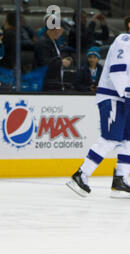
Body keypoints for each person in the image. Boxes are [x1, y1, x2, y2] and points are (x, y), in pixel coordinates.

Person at [66, 15, 130, 198]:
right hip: (114, 97)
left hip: (123, 98)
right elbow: (117, 72)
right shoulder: (125, 40)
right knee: (110, 138)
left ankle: (121, 179)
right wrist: (127, 95)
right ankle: (81, 174)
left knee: (128, 140)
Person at [34, 17, 73, 91]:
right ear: (56, 29)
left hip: (54, 84)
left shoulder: (54, 42)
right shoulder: (42, 43)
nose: (62, 33)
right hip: (46, 86)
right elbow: (44, 63)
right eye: (62, 30)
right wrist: (61, 62)